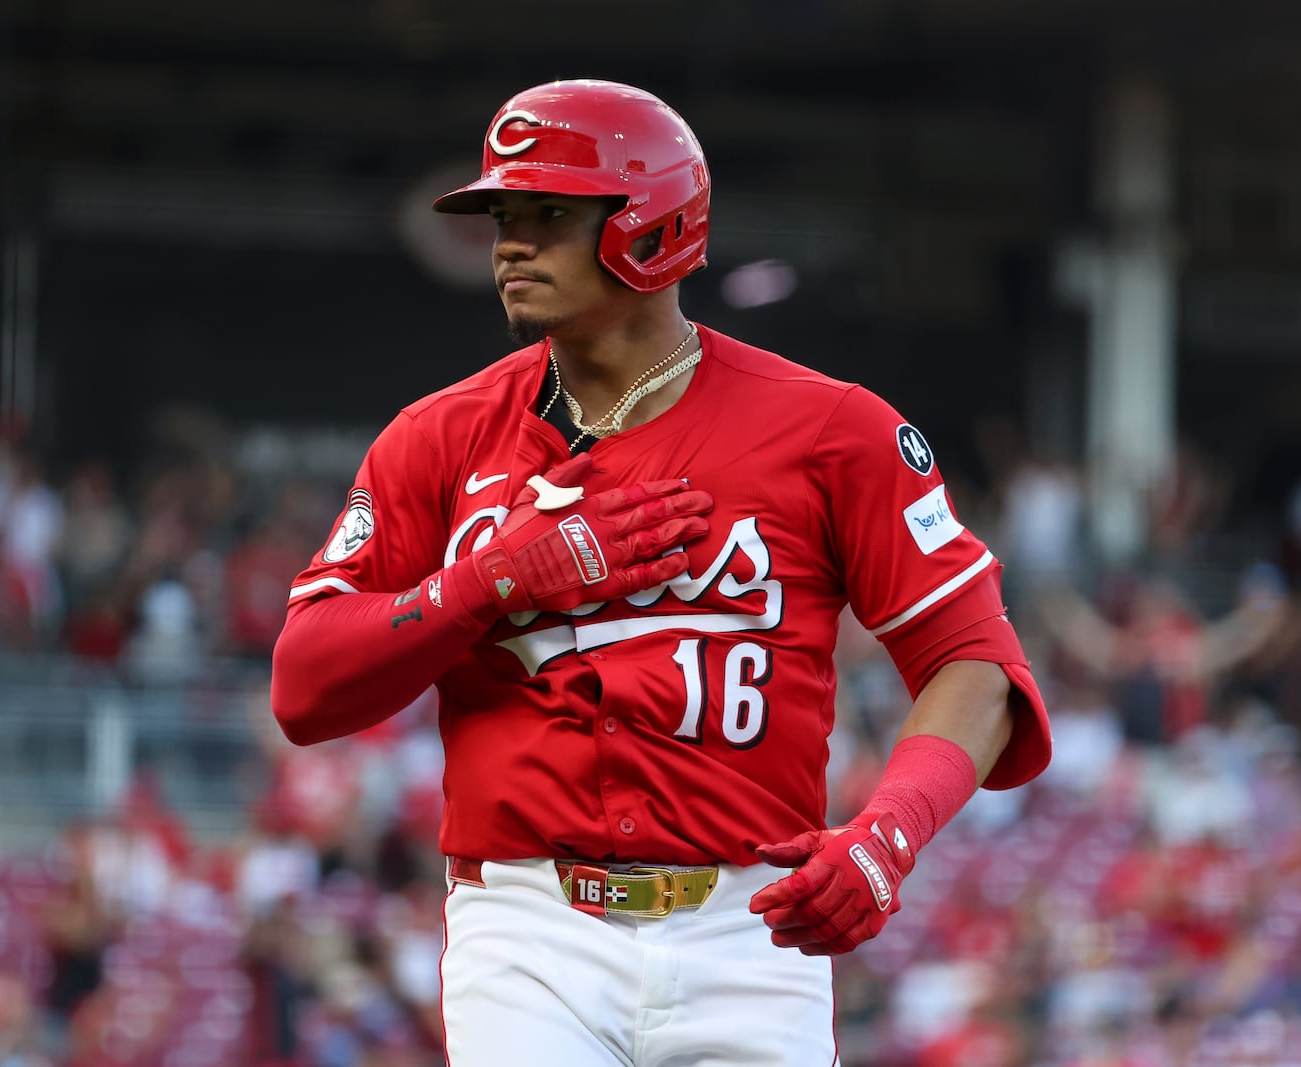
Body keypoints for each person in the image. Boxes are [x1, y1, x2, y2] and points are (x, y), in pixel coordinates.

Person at [270, 78, 1051, 1065]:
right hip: (526, 925)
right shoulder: (438, 437)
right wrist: (491, 582)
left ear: (650, 226)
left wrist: (890, 830)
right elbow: (304, 685)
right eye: (505, 216)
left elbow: (974, 660)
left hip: (750, 926)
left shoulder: (831, 429)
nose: (509, 244)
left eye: (547, 214)